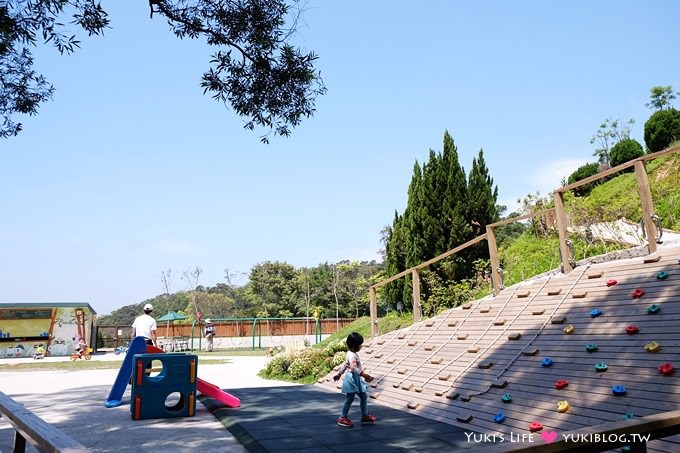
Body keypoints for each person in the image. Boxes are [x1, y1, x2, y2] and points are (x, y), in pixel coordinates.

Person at [333, 332, 377, 428]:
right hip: (352, 378)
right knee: (350, 398)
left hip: (355, 378)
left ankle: (365, 416)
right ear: (354, 346)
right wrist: (364, 375)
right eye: (359, 344)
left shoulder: (350, 353)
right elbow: (353, 368)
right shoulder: (352, 355)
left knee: (363, 396)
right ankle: (343, 417)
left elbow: (346, 365)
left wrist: (339, 374)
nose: (361, 346)